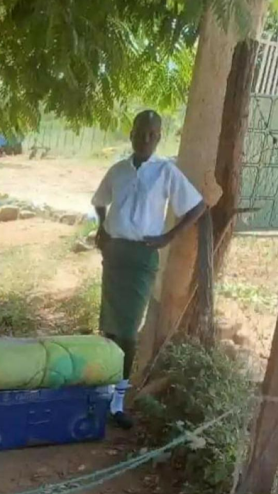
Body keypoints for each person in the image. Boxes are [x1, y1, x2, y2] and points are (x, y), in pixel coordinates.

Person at [91, 109, 206, 430]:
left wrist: (169, 236)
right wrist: (101, 227)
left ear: (158, 138)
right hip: (115, 254)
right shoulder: (118, 170)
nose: (145, 139)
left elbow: (197, 206)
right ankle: (102, 393)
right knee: (109, 328)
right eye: (141, 132)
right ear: (131, 133)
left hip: (142, 258)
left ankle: (117, 401)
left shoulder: (166, 171)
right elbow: (100, 200)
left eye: (152, 134)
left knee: (127, 332)